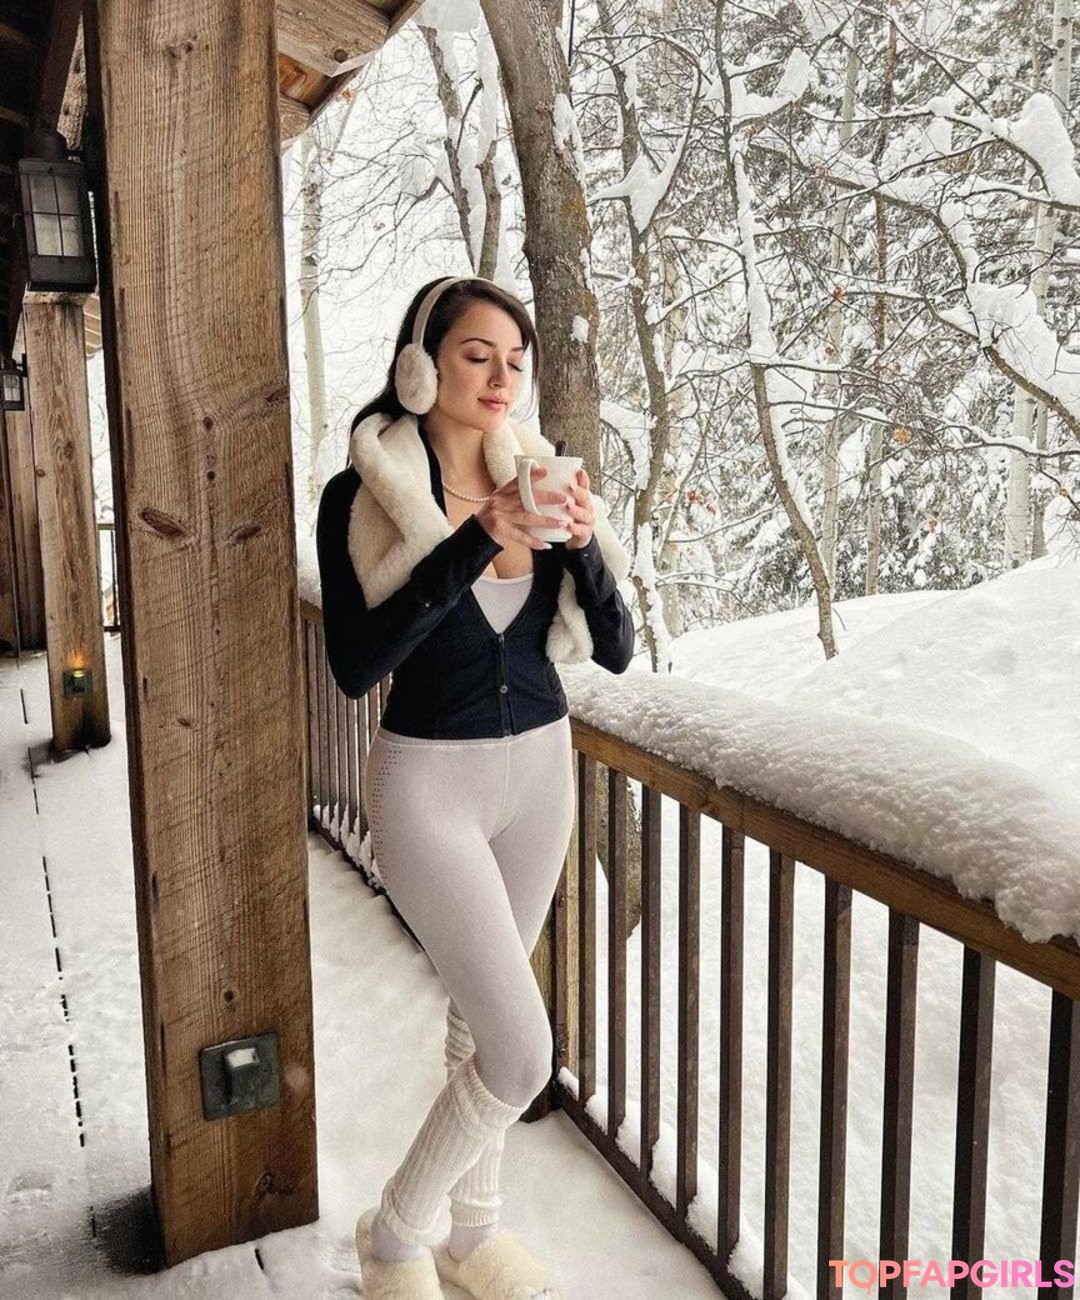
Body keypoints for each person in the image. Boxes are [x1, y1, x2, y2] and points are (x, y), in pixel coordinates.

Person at [315, 275, 634, 1300]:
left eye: (515, 361)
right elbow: (358, 664)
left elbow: (616, 649)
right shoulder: (359, 500)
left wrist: (580, 548)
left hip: (540, 772)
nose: (501, 378)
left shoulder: (540, 475)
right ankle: (396, 1234)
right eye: (476, 355)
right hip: (428, 786)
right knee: (522, 1051)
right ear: (423, 365)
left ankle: (474, 1231)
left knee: (479, 1019)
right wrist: (476, 538)